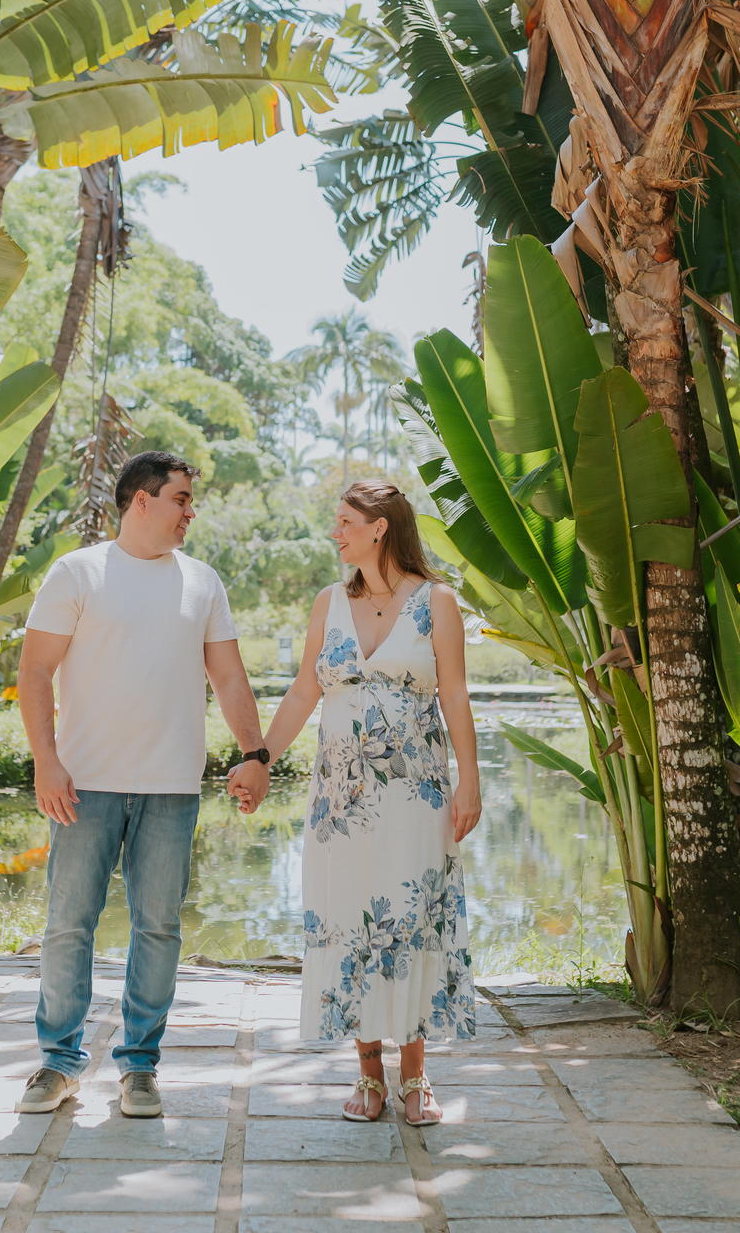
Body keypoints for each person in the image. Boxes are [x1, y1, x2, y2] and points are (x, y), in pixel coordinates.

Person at [14, 451, 271, 1119]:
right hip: (84, 783)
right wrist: (46, 759)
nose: (191, 512)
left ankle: (139, 1067)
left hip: (170, 787)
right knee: (69, 924)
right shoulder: (78, 572)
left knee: (158, 928)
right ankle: (59, 1062)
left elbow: (230, 677)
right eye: (182, 499)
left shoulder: (202, 582)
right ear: (141, 502)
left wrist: (256, 753)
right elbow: (36, 669)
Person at [229, 479, 482, 1126]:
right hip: (339, 804)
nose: (335, 533)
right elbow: (302, 694)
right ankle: (368, 1073)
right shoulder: (328, 604)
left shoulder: (437, 603)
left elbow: (453, 696)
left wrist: (469, 780)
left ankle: (416, 1076)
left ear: (380, 526)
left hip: (414, 795)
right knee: (347, 922)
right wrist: (260, 759)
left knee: (410, 922)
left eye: (345, 521)